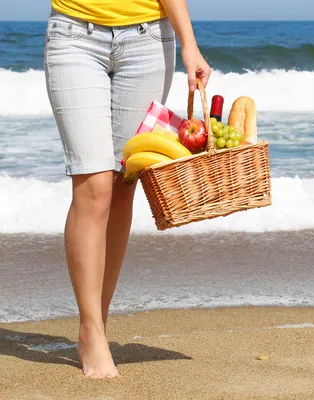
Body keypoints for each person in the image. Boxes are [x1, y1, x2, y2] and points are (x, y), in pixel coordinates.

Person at [44, 0, 211, 379]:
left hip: (149, 40)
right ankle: (90, 330)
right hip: (74, 36)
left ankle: (96, 326)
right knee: (94, 184)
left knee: (123, 184)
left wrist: (188, 42)